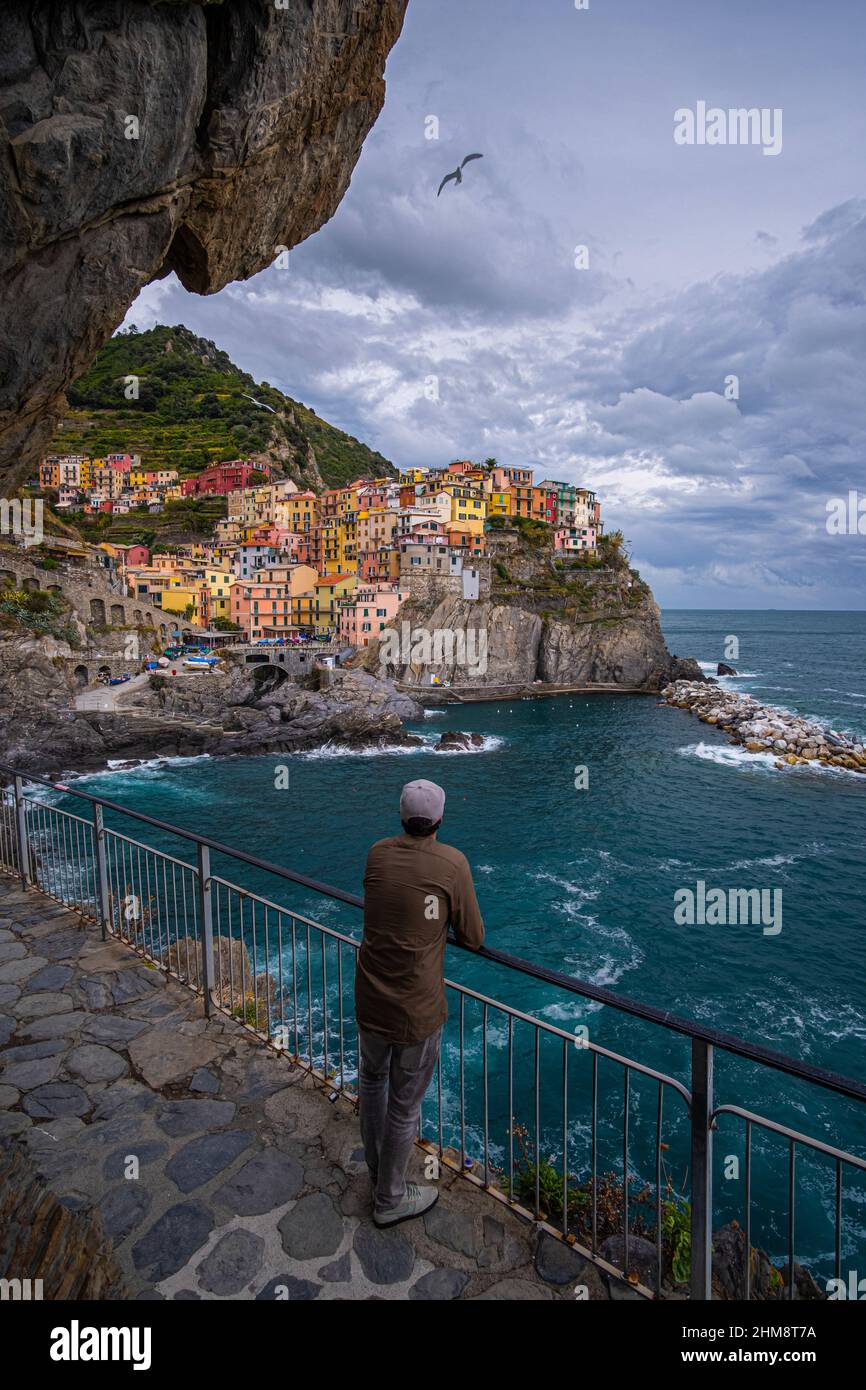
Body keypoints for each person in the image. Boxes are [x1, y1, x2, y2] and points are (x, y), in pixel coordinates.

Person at [355, 778, 485, 1227]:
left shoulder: (377, 853)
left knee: (372, 1082)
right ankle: (389, 1197)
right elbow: (473, 935)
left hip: (370, 993)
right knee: (404, 1103)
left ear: (401, 816)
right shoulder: (452, 863)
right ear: (441, 820)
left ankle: (376, 1174)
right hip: (415, 1004)